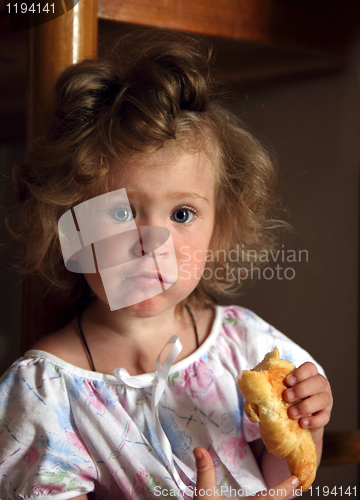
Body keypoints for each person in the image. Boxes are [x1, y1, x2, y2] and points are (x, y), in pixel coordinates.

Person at [0, 31, 332, 500]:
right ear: (69, 226)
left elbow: (283, 476)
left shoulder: (245, 345)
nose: (149, 246)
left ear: (220, 224)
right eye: (120, 213)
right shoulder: (46, 391)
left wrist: (305, 425)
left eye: (181, 214)